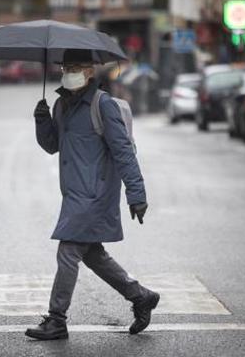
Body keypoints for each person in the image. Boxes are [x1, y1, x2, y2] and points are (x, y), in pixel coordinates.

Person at [26, 49, 159, 341]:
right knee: (93, 255)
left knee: (68, 250)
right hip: (75, 194)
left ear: (89, 71)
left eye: (75, 66)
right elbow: (52, 145)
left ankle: (57, 319)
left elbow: (123, 151)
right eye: (65, 66)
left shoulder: (104, 105)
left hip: (96, 195)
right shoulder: (62, 105)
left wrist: (136, 193)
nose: (68, 71)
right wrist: (41, 120)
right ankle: (141, 297)